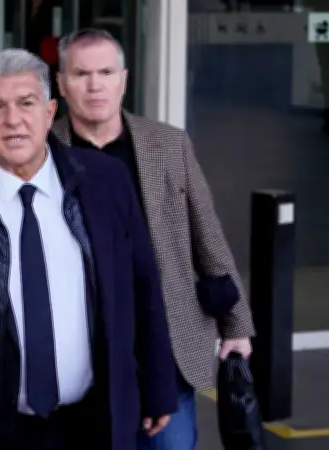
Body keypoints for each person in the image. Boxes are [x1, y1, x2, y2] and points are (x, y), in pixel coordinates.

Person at [0, 48, 178, 450]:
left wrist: (159, 384)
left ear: (49, 111)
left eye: (26, 103)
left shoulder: (106, 182)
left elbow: (144, 287)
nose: (13, 120)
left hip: (94, 423)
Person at [51, 28, 256, 450]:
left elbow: (207, 235)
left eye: (106, 72)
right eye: (81, 74)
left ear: (123, 80)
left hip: (165, 339)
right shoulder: (44, 150)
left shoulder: (167, 144)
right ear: (61, 84)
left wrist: (236, 325)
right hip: (80, 346)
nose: (95, 85)